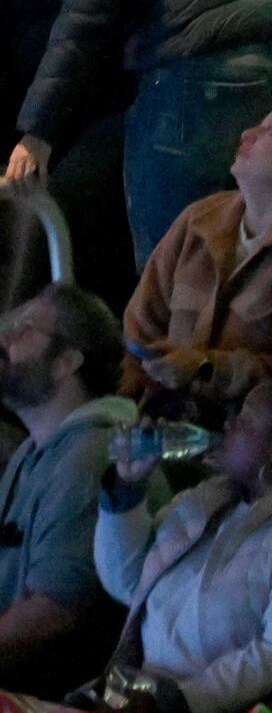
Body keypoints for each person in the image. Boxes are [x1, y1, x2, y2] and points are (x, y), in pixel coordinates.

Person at [94, 354, 272, 713]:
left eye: (244, 418)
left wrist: (179, 700)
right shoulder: (211, 500)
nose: (227, 424)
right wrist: (127, 490)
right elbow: (126, 583)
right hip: (136, 696)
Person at [123, 96, 272, 421]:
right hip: (160, 421)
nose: (247, 133)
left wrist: (205, 369)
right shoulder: (200, 218)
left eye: (269, 131)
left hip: (240, 437)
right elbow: (141, 322)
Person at [0, 283, 138, 686]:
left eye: (25, 328)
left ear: (67, 360)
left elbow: (51, 615)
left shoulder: (91, 457)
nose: (6, 336)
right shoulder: (35, 449)